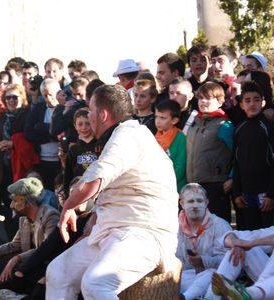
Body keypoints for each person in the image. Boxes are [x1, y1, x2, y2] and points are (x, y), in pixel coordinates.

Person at [46, 84, 179, 299]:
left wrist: (68, 207)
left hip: (144, 234)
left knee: (95, 284)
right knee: (58, 272)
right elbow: (113, 192)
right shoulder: (120, 136)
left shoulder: (128, 136)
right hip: (112, 233)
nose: (88, 116)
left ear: (103, 114)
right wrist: (93, 224)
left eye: (90, 110)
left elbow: (93, 182)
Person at [205, 190, 274, 300]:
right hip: (273, 283)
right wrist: (237, 242)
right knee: (240, 248)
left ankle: (251, 293)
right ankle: (211, 297)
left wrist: (252, 243)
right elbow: (232, 237)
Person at [232, 81, 274, 230]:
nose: (252, 104)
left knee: (268, 236)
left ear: (263, 102)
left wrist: (272, 194)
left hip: (266, 193)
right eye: (247, 100)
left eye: (256, 100)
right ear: (241, 104)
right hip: (246, 194)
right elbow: (236, 162)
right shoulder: (239, 129)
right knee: (249, 235)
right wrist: (236, 193)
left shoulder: (268, 127)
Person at [186, 82, 234, 222]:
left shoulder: (224, 125)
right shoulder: (194, 122)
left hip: (215, 185)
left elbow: (237, 153)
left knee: (216, 227)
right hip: (194, 185)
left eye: (208, 98)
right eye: (200, 98)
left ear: (219, 101)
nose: (203, 101)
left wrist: (232, 177)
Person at [176, 183, 232, 300]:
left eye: (199, 201)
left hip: (214, 277)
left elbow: (229, 260)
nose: (195, 205)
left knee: (211, 276)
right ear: (182, 204)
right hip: (186, 276)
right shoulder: (172, 226)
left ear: (206, 203)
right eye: (190, 201)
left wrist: (203, 261)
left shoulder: (220, 225)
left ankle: (185, 298)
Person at [0, 84, 37, 193]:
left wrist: (13, 143)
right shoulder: (3, 117)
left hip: (24, 163)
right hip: (6, 163)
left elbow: (32, 137)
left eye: (14, 97)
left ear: (22, 98)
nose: (11, 100)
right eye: (8, 97)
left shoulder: (29, 114)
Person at [23, 78, 61, 191]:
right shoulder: (38, 109)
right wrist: (50, 135)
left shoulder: (65, 109)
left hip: (60, 161)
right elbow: (28, 132)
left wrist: (41, 128)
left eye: (51, 94)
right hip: (42, 160)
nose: (48, 99)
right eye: (45, 96)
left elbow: (63, 131)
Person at [62, 108, 97, 196]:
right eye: (80, 124)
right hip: (79, 192)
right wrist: (67, 196)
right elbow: (68, 175)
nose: (84, 127)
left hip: (97, 191)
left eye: (87, 124)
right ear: (75, 126)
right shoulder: (73, 149)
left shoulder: (100, 145)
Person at [155, 101, 187, 192]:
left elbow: (180, 166)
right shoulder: (156, 137)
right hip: (156, 186)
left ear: (174, 120)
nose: (158, 121)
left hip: (174, 187)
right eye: (156, 117)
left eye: (162, 118)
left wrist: (165, 182)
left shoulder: (181, 138)